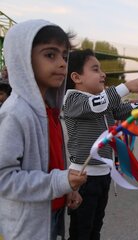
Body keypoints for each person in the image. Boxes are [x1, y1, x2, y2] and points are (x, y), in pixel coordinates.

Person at [0, 19, 87, 240]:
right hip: (28, 225)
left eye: (64, 57)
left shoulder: (50, 110)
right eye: (50, 55)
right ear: (22, 59)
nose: (62, 64)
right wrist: (60, 181)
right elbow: (4, 178)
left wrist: (68, 187)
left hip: (52, 209)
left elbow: (52, 163)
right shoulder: (15, 113)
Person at [64, 49, 138, 240]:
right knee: (81, 231)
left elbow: (124, 110)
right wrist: (126, 86)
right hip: (83, 177)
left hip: (103, 175)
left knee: (95, 228)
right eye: (96, 69)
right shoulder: (72, 100)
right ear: (76, 77)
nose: (103, 74)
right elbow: (96, 105)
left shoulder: (103, 101)